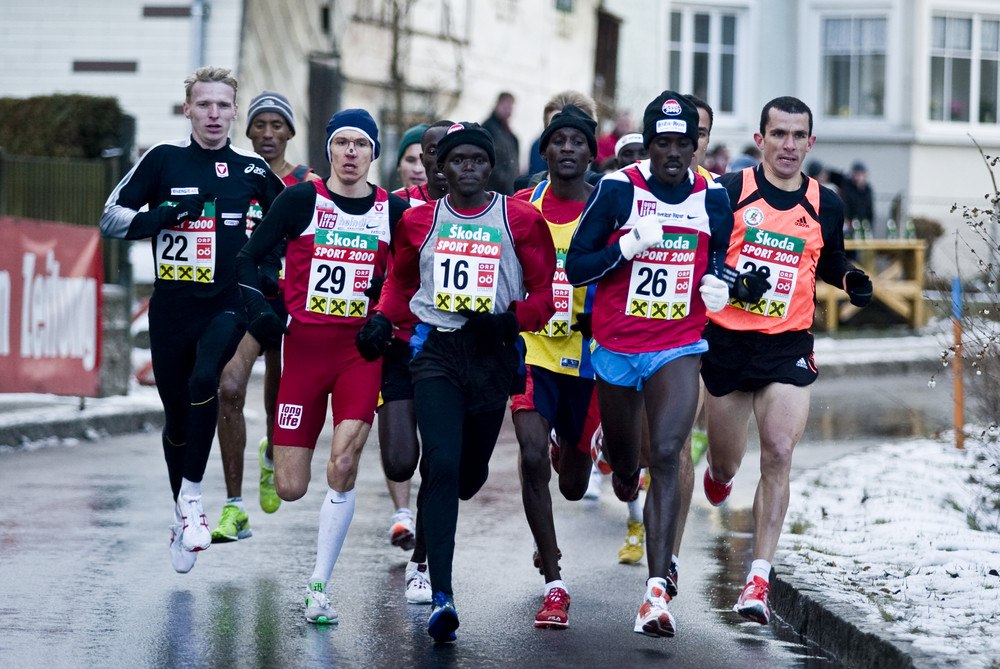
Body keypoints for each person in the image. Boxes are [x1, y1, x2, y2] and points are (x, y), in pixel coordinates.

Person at [356, 122, 555, 643]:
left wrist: (508, 320)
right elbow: (401, 284)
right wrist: (381, 318)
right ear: (441, 168)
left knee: (468, 477)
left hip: (493, 354)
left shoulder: (520, 220)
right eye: (457, 160)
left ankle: (444, 537)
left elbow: (543, 298)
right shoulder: (419, 221)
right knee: (439, 464)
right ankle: (441, 593)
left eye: (477, 160)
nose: (467, 168)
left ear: (491, 167)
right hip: (437, 350)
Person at [566, 91, 739, 638]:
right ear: (648, 144)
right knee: (626, 471)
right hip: (616, 346)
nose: (671, 153)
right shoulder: (618, 190)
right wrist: (624, 249)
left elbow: (721, 262)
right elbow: (576, 268)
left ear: (695, 147)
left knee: (667, 452)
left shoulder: (712, 197)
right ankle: (613, 458)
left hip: (678, 343)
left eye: (682, 144)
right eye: (662, 142)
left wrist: (720, 286)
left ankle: (656, 591)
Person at [99, 66, 285, 574]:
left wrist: (266, 276)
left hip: (226, 304)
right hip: (171, 308)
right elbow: (110, 217)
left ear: (234, 112)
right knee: (177, 418)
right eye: (204, 105)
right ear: (188, 109)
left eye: (223, 106)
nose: (214, 115)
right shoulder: (163, 160)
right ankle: (183, 511)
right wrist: (158, 218)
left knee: (209, 377)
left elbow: (287, 227)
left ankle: (198, 500)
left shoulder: (250, 169)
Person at [701, 96, 873, 626]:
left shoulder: (828, 203)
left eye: (799, 136)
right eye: (779, 134)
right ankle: (719, 475)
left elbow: (832, 258)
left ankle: (758, 579)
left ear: (811, 143)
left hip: (787, 346)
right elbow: (705, 263)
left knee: (778, 450)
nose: (789, 146)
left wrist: (851, 280)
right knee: (728, 462)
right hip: (728, 343)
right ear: (761, 139)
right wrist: (733, 282)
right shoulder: (729, 193)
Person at [235, 108, 408, 624]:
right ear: (328, 149)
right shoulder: (301, 199)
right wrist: (264, 315)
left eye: (361, 144)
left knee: (344, 464)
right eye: (342, 143)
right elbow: (248, 259)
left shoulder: (391, 212)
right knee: (291, 487)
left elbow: (410, 275)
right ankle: (274, 450)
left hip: (359, 352)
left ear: (374, 153)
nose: (351, 153)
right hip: (304, 352)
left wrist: (385, 317)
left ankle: (318, 588)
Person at [212, 90, 321, 543]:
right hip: (244, 297)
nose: (268, 133)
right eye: (260, 124)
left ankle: (273, 454)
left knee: (278, 393)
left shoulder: (308, 183)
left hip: (291, 301)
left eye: (278, 125)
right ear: (248, 130)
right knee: (230, 386)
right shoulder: (234, 173)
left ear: (291, 132)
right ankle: (233, 507)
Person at [510, 104, 599, 629]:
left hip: (587, 358)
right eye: (558, 140)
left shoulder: (609, 206)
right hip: (533, 349)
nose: (567, 148)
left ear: (592, 153)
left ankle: (571, 446)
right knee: (529, 458)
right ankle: (555, 582)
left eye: (577, 141)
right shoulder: (523, 205)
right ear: (544, 152)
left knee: (570, 483)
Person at [383, 120, 452, 562]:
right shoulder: (395, 207)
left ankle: (423, 561)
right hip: (397, 340)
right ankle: (403, 511)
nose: (438, 161)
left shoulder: (485, 209)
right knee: (400, 461)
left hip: (449, 347)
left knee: (443, 463)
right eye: (428, 152)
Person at [482, 92, 521, 195]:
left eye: (510, 106)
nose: (508, 109)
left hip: (508, 190)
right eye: (505, 105)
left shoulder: (508, 132)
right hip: (494, 189)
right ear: (497, 104)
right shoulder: (489, 128)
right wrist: (503, 180)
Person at [395, 123, 429, 189]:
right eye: (410, 160)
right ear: (399, 165)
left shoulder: (452, 199)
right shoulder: (386, 199)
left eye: (425, 162)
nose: (417, 169)